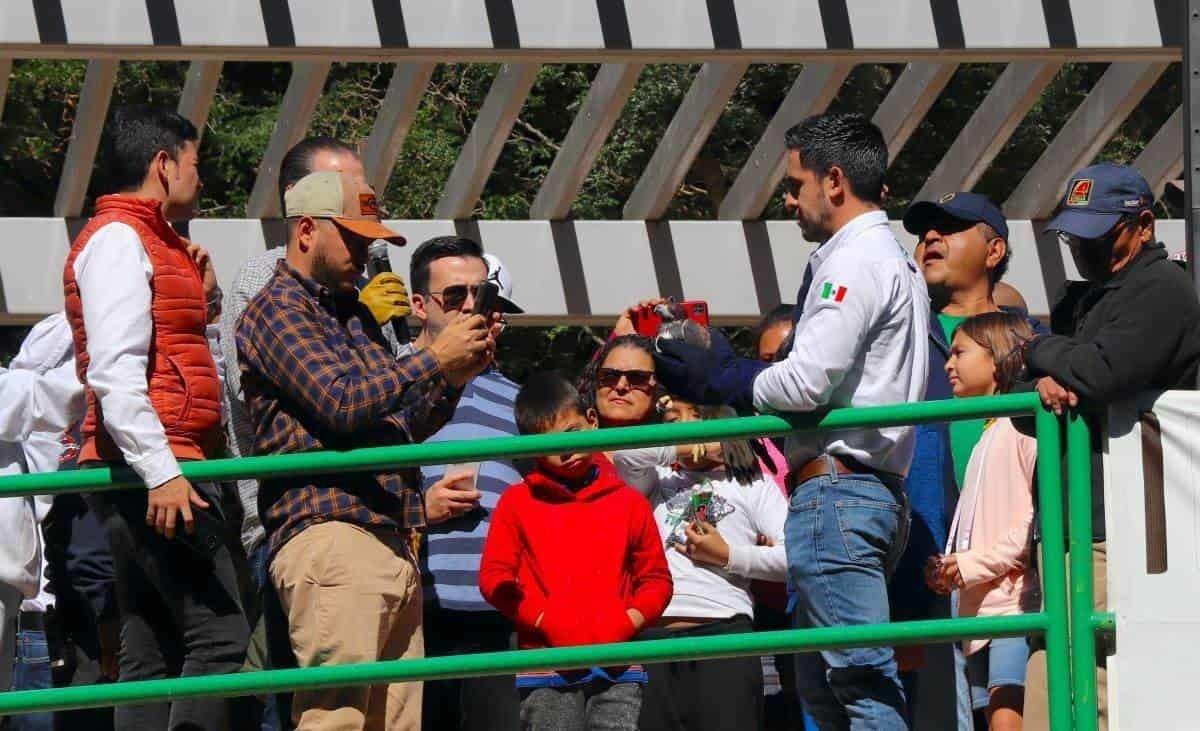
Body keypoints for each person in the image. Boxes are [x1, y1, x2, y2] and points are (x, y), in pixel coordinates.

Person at [653, 112, 929, 729]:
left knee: (857, 683)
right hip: (857, 492)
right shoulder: (887, 257)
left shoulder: (854, 261)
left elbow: (806, 382)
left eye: (794, 182)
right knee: (832, 689)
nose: (788, 197)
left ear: (833, 181)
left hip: (839, 491)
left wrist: (729, 376)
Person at [236, 169, 494, 730]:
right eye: (352, 237)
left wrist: (452, 378)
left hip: (386, 537)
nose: (365, 249)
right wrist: (432, 359)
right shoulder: (276, 308)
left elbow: (399, 421)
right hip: (330, 534)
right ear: (306, 230)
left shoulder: (352, 313)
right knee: (336, 720)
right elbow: (341, 402)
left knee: (391, 723)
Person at [61, 104, 247, 731]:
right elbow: (114, 373)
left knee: (151, 647)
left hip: (152, 464)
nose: (202, 179)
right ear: (164, 165)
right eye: (195, 164)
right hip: (163, 469)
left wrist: (207, 293)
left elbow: (171, 349)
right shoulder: (120, 239)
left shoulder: (144, 240)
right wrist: (164, 473)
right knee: (220, 638)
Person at [218, 135, 398, 731]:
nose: (364, 229)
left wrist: (426, 351)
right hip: (298, 518)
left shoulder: (355, 287)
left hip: (379, 522)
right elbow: (328, 400)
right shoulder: (263, 285)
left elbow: (393, 405)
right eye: (348, 216)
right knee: (307, 709)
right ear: (303, 213)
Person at [1018, 163, 1200, 731]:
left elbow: (1101, 373)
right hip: (1075, 516)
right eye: (1074, 235)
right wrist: (1045, 365)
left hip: (1128, 522)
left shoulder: (1164, 289)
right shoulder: (1085, 300)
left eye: (1098, 234)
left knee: (1097, 676)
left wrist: (1039, 351)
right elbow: (1027, 402)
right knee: (1062, 668)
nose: (1082, 249)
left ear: (1144, 225)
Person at [899, 191, 1044, 729]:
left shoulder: (1041, 352)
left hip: (1010, 584)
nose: (931, 237)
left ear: (994, 249)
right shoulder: (900, 331)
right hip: (925, 564)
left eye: (952, 227)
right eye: (925, 230)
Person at [478, 373, 672, 731]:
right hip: (546, 663)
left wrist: (625, 621)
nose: (565, 451)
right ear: (530, 450)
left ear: (592, 421)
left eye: (572, 433)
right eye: (547, 445)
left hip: (620, 660)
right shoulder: (516, 503)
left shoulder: (629, 502)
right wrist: (546, 621)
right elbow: (494, 579)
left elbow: (657, 579)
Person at [403, 238, 525, 731]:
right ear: (419, 305)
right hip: (410, 613)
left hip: (498, 613)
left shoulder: (518, 398)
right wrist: (419, 508)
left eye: (483, 297)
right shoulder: (385, 381)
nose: (472, 308)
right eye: (455, 296)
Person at [610, 394, 787, 731]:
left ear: (712, 416)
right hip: (652, 637)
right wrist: (693, 447)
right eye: (666, 425)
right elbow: (626, 453)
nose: (669, 429)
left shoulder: (751, 485)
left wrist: (728, 556)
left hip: (723, 635)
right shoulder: (655, 481)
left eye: (679, 419)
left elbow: (796, 558)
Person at [930, 312, 1039, 731]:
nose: (948, 364)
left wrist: (971, 565)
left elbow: (1037, 521)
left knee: (1007, 717)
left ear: (997, 359)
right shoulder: (992, 430)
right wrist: (953, 565)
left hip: (1015, 604)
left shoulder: (1023, 427)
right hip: (982, 609)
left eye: (960, 352)